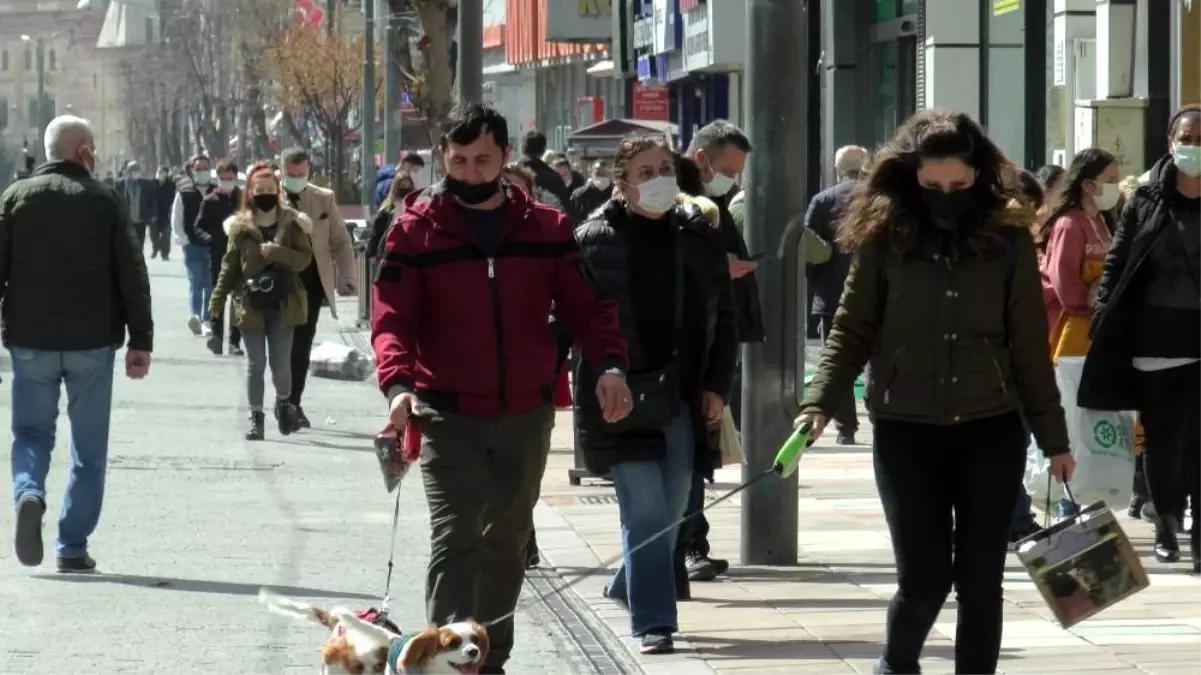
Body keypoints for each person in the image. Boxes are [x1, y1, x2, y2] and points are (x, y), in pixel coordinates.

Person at [796, 109, 1074, 675]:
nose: (945, 196)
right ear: (909, 176)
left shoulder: (1008, 236)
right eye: (931, 185)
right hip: (906, 430)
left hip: (990, 426)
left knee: (980, 584)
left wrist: (1055, 439)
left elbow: (1027, 344)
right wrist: (818, 405)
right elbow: (852, 327)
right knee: (923, 579)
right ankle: (896, 667)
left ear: (980, 174)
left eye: (959, 184)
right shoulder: (882, 234)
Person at [372, 103, 632, 675]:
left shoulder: (547, 227)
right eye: (458, 160)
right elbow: (391, 317)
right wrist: (397, 385)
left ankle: (489, 659)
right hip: (444, 411)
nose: (468, 171)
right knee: (456, 535)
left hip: (526, 411)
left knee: (507, 538)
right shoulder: (414, 230)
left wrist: (611, 365)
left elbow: (589, 308)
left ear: (505, 156)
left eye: (482, 159)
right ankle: (444, 662)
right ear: (443, 156)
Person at [579, 137, 736, 654]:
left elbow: (723, 316)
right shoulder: (595, 237)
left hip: (683, 395)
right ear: (620, 181)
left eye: (665, 168)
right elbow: (576, 321)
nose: (658, 178)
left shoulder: (698, 233)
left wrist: (717, 385)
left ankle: (629, 585)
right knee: (644, 511)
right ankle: (654, 621)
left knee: (671, 514)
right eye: (645, 171)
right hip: (622, 397)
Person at [1, 115, 153, 573]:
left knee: (30, 433)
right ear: (82, 151)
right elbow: (132, 273)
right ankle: (71, 546)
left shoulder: (14, 199)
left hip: (31, 341)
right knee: (89, 449)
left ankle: (29, 492)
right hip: (92, 343)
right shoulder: (105, 201)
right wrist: (140, 340)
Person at [1081, 104, 1201, 570]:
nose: (1192, 146)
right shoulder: (1147, 198)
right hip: (1155, 338)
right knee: (1163, 439)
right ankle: (1166, 520)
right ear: (1170, 142)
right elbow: (1118, 261)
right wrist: (1103, 315)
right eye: (1185, 137)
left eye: (1199, 138)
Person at [676, 120, 764, 584]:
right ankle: (687, 546)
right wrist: (717, 271)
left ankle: (689, 544)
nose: (733, 180)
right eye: (728, 170)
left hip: (709, 349)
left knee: (696, 456)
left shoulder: (714, 207)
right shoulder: (686, 210)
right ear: (702, 160)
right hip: (686, 355)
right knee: (687, 458)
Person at [209, 162, 312, 440]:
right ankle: (256, 418)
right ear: (250, 194)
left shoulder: (292, 223)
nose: (265, 194)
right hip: (250, 305)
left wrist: (278, 252)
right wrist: (216, 303)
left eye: (270, 189)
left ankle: (283, 404)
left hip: (284, 303)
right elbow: (229, 267)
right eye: (259, 190)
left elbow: (304, 259)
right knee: (255, 363)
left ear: (277, 192)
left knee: (280, 363)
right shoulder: (240, 228)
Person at [279, 147, 357, 428]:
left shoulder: (323, 199)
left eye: (301, 174)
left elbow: (340, 241)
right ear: (282, 169)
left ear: (309, 171)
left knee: (300, 346)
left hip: (311, 283)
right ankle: (281, 399)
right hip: (278, 282)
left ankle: (292, 403)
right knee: (280, 346)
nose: (296, 179)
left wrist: (347, 276)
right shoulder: (266, 196)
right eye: (290, 174)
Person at [804, 144, 869, 445]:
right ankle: (877, 411)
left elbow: (807, 246)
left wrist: (814, 284)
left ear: (837, 167)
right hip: (876, 292)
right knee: (878, 358)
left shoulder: (823, 200)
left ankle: (846, 428)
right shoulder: (879, 197)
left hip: (832, 295)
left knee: (839, 359)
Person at [1034, 148, 1119, 364]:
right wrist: (1094, 302)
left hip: (1097, 328)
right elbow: (1065, 282)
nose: (1115, 187)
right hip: (1070, 328)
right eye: (1110, 180)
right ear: (1088, 185)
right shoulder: (1069, 225)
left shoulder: (1104, 222)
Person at [193, 158, 244, 355]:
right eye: (223, 178)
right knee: (218, 295)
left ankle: (234, 342)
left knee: (239, 298)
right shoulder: (210, 200)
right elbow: (198, 227)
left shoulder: (243, 199)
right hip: (218, 255)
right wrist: (210, 239)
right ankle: (216, 336)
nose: (227, 182)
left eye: (230, 178)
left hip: (240, 255)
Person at [174, 154, 217, 337]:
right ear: (191, 171)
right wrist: (183, 240)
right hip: (192, 245)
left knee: (210, 284)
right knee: (195, 282)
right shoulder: (184, 193)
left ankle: (207, 320)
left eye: (205, 168)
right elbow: (176, 219)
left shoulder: (217, 191)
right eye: (198, 169)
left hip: (214, 246)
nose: (202, 172)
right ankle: (196, 317)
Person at [518, 131, 575, 218]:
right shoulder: (553, 178)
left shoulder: (509, 173)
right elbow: (565, 211)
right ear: (543, 150)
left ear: (522, 148)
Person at [367, 169, 415, 260]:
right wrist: (372, 252)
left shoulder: (416, 207)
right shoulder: (387, 209)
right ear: (396, 189)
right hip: (390, 253)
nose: (406, 192)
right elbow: (376, 231)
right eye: (402, 188)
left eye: (409, 188)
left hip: (410, 253)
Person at [115, 160, 155, 253]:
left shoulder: (146, 184)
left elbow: (151, 200)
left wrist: (153, 214)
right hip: (126, 221)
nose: (137, 173)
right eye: (134, 171)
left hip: (141, 220)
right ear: (128, 172)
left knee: (139, 244)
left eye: (138, 171)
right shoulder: (120, 184)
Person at [152, 165, 176, 260]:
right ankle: (156, 248)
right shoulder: (152, 184)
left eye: (162, 172)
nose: (160, 174)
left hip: (166, 212)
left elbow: (172, 197)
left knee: (166, 235)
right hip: (154, 213)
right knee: (153, 234)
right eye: (158, 171)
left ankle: (165, 253)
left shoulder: (171, 184)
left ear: (166, 173)